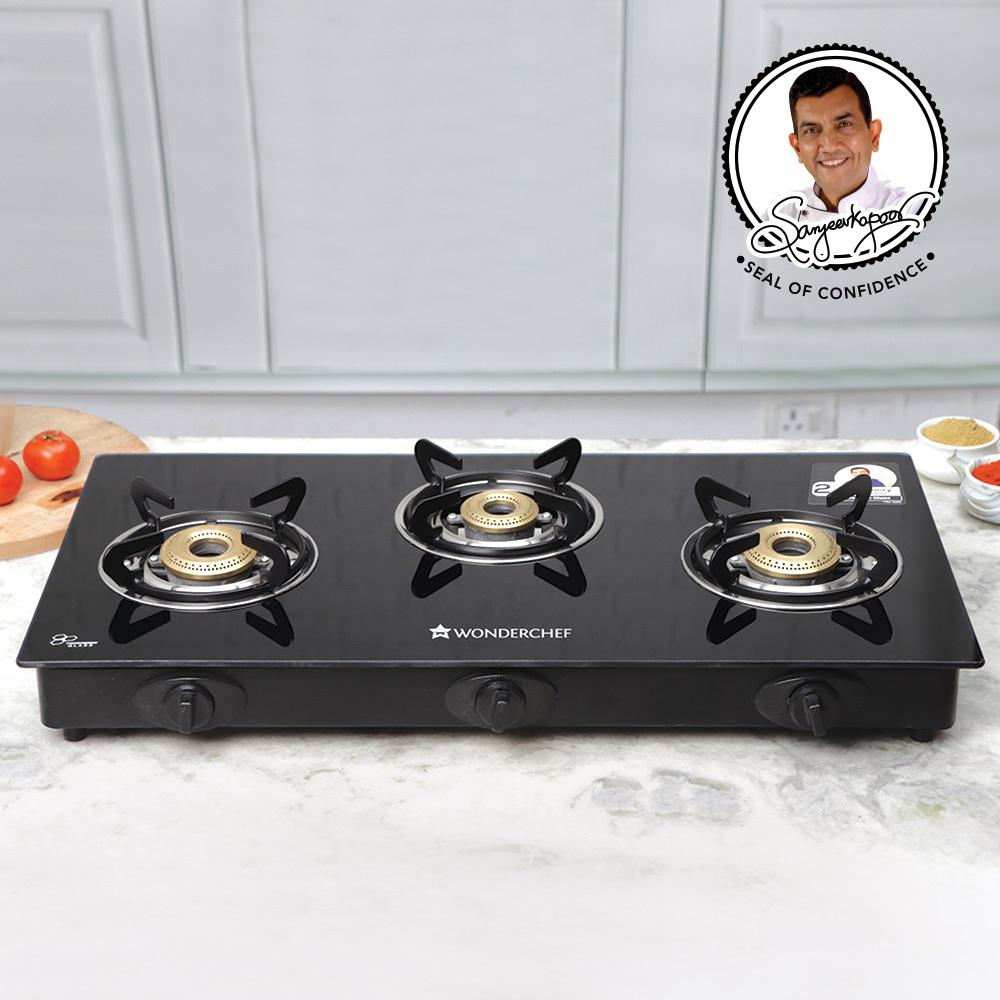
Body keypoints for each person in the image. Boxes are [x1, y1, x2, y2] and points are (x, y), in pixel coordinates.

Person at [785, 65, 907, 220]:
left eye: (844, 124)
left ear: (874, 136)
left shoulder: (911, 211)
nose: (829, 145)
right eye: (812, 130)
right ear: (797, 148)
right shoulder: (779, 218)